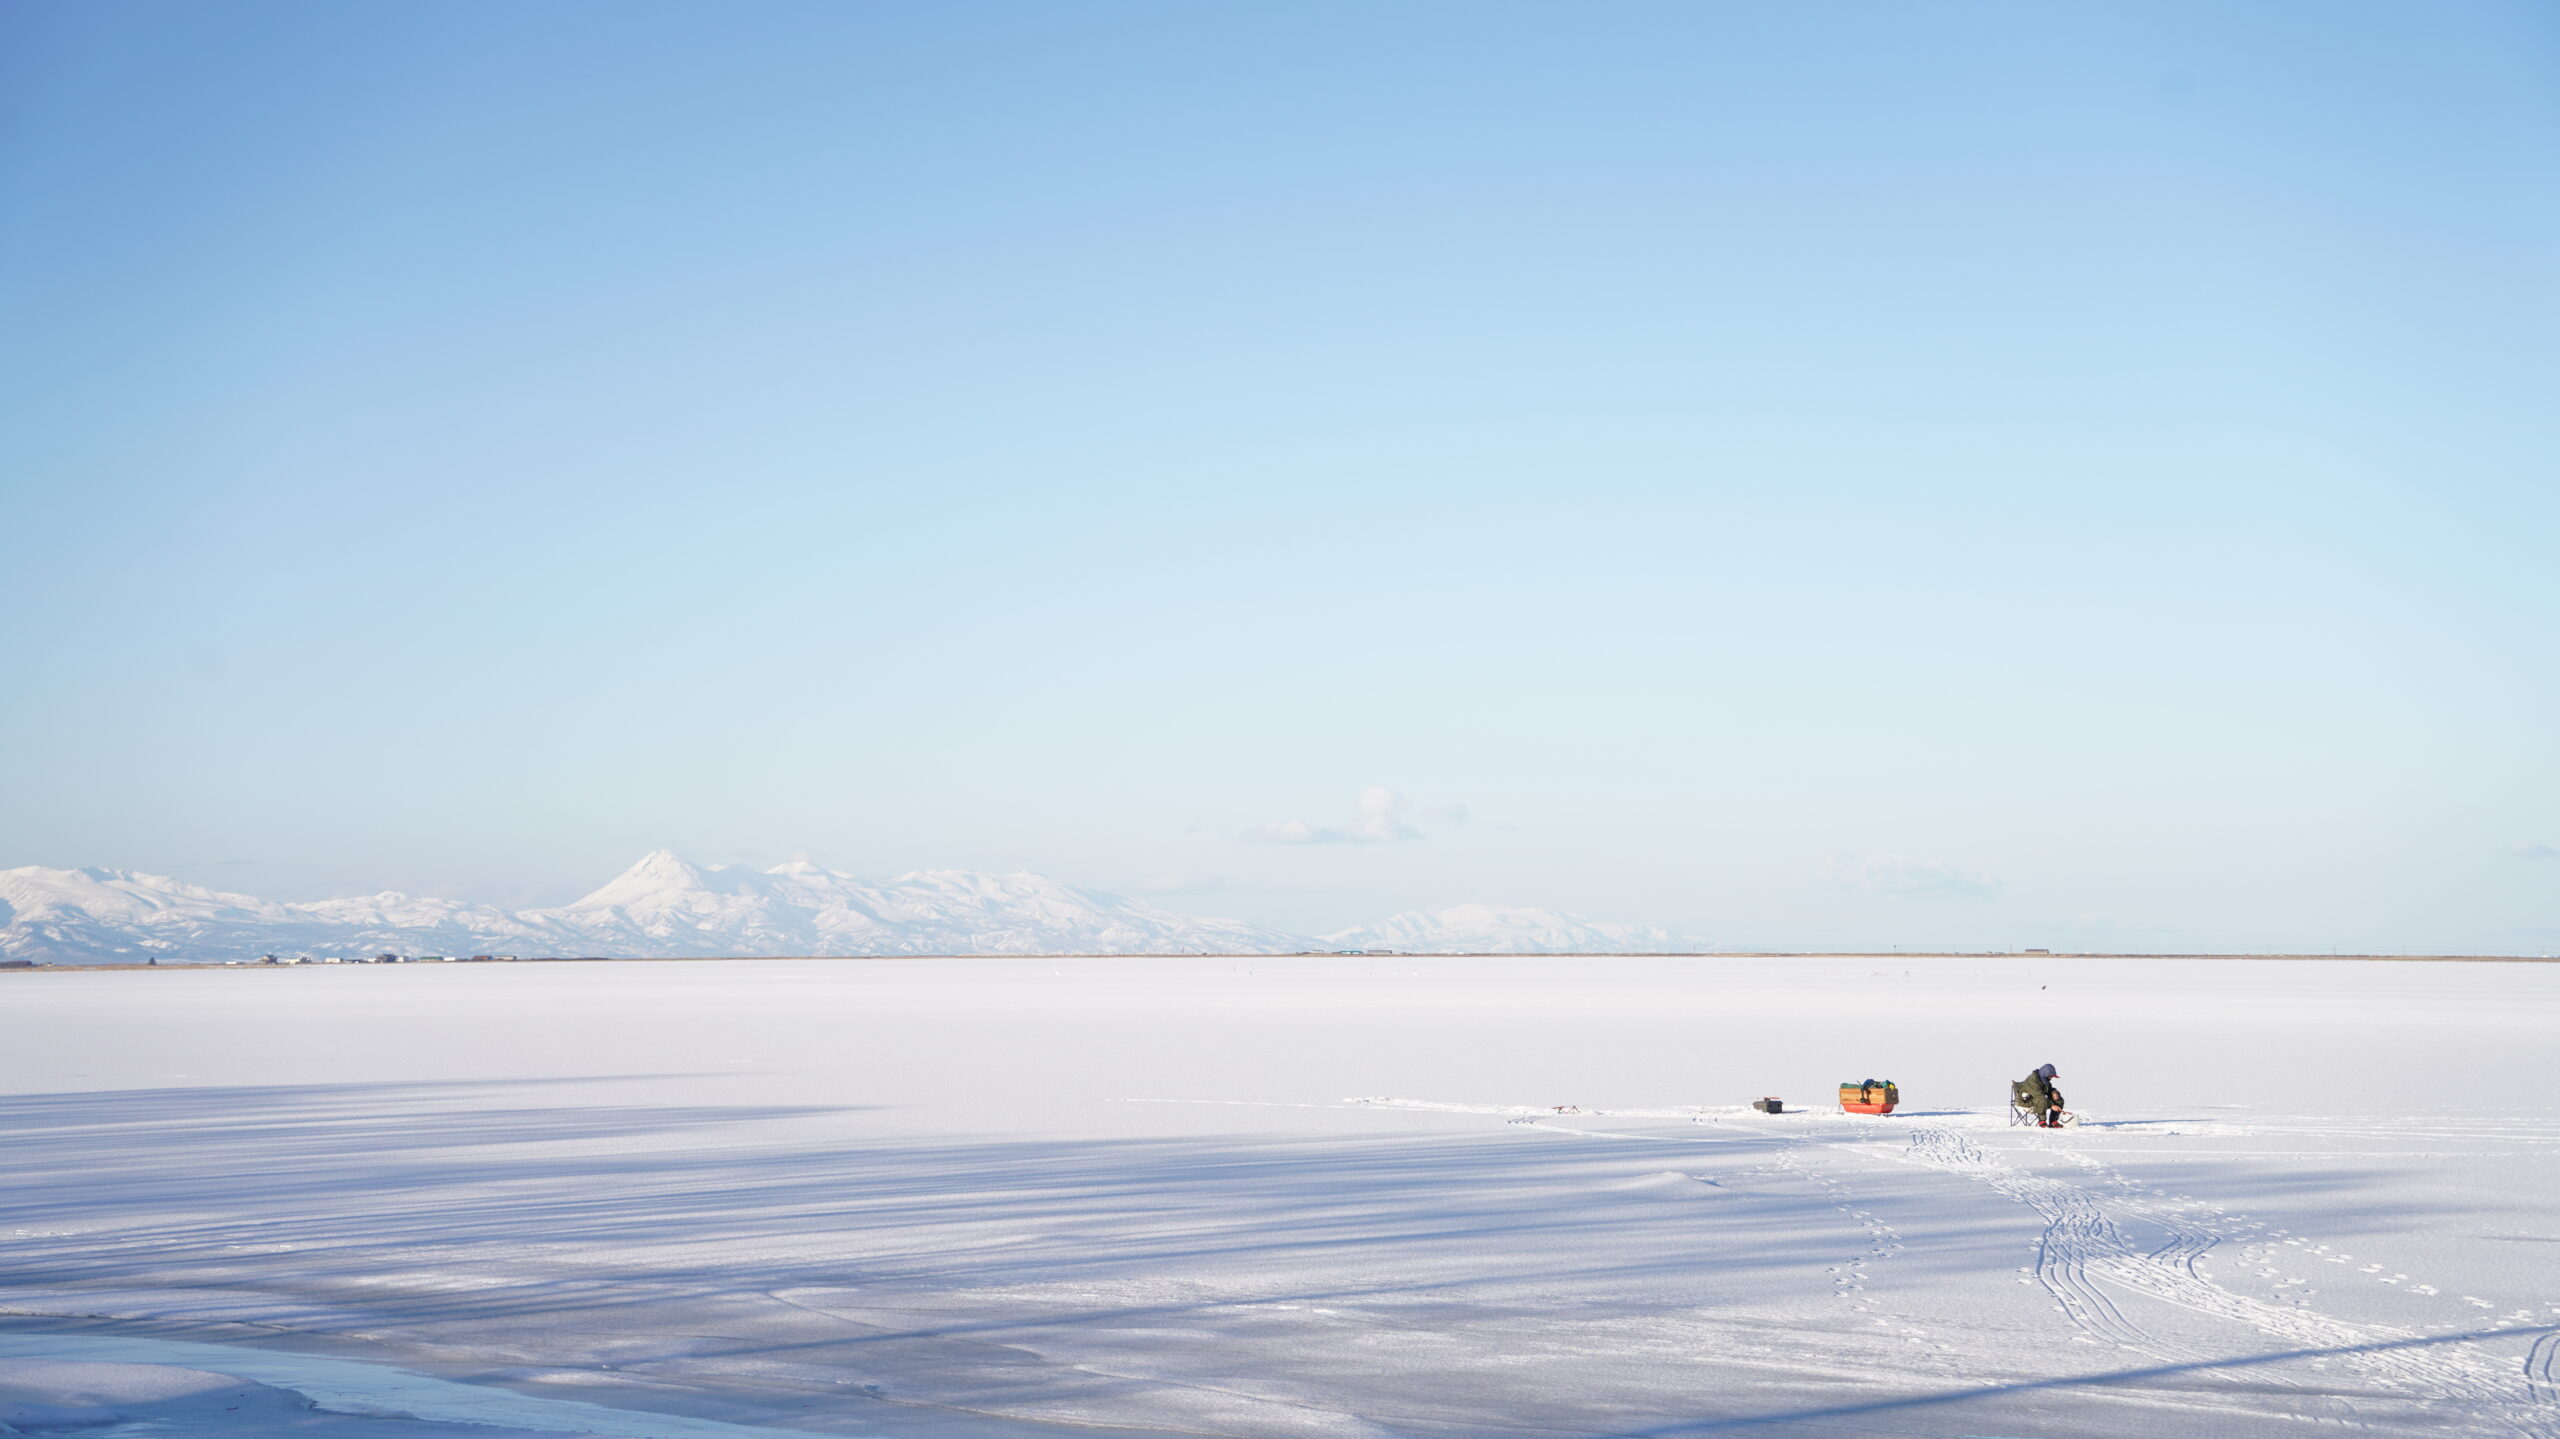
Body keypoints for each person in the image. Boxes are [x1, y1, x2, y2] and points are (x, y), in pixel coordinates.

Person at [2012, 1063, 2066, 1128]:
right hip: (2025, 1101)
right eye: (2050, 1076)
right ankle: (2042, 1121)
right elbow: (2040, 1096)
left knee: (2059, 1100)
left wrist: (2054, 1093)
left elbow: (2049, 1090)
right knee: (2042, 1100)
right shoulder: (2032, 1081)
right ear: (2045, 1074)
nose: (2051, 1078)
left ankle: (2053, 1122)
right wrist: (2052, 1105)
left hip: (2036, 1100)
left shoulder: (2044, 1080)